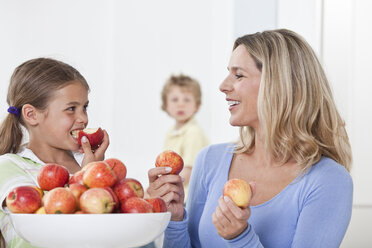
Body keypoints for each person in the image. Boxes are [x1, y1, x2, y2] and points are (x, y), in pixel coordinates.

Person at [146, 29, 353, 248]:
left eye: (238, 75)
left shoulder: (328, 180)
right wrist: (175, 219)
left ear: (278, 85)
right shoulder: (209, 160)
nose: (223, 86)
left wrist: (240, 238)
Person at [0, 58, 109, 247]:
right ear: (32, 115)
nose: (83, 118)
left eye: (85, 107)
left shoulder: (86, 163)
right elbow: (47, 226)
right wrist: (87, 177)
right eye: (71, 109)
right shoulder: (9, 167)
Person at [160, 74, 208, 201]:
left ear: (196, 106)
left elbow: (189, 172)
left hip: (187, 198)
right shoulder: (171, 133)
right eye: (175, 100)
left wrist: (163, 186)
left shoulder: (193, 132)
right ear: (166, 105)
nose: (181, 104)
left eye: (187, 100)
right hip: (173, 193)